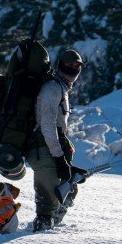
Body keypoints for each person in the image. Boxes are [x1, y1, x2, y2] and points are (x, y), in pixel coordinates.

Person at [26, 48, 86, 231]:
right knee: (49, 201)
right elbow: (47, 126)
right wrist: (60, 158)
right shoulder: (52, 88)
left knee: (68, 190)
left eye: (77, 65)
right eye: (70, 64)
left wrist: (65, 162)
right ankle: (38, 241)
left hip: (50, 147)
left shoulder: (62, 88)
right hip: (41, 147)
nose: (74, 68)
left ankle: (50, 231)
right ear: (60, 64)